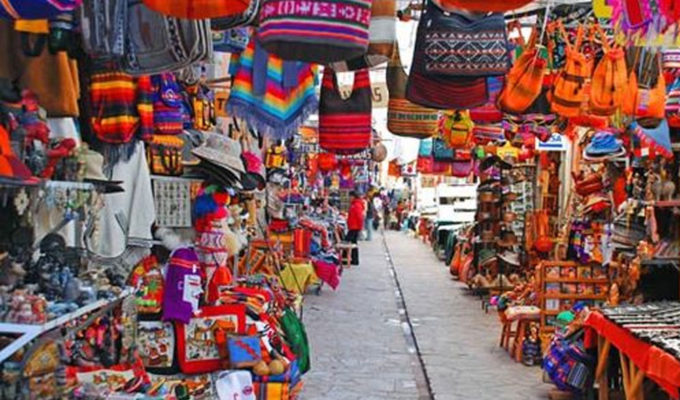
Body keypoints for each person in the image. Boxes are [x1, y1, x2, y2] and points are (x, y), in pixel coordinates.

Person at [346, 190, 365, 265]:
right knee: (353, 243)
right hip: (353, 227)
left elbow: (360, 217)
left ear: (353, 196)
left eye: (350, 196)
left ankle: (350, 259)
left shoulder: (356, 205)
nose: (349, 198)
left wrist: (360, 228)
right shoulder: (355, 204)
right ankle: (354, 260)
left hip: (354, 227)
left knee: (348, 242)